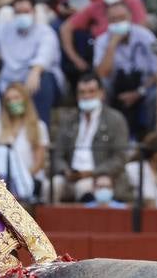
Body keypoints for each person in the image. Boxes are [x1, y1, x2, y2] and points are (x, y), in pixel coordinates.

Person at [0, 0, 64, 126]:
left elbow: (44, 56)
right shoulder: (4, 29)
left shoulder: (45, 32)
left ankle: (40, 132)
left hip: (37, 83)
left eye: (26, 12)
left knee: (42, 80)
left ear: (34, 12)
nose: (22, 16)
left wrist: (35, 71)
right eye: (18, 12)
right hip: (10, 84)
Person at [52, 70, 130, 202]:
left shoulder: (115, 119)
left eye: (91, 91)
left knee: (84, 187)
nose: (86, 96)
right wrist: (65, 171)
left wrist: (91, 173)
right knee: (52, 185)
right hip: (70, 175)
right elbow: (57, 155)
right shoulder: (69, 119)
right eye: (82, 92)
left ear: (101, 93)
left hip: (97, 176)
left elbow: (119, 158)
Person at [60, 0, 147, 77]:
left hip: (134, 52)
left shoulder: (133, 2)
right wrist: (76, 59)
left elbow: (142, 30)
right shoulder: (95, 6)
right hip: (104, 52)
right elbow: (66, 28)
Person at [94, 0, 157, 137]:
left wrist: (139, 92)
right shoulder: (102, 41)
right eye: (113, 20)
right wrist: (112, 44)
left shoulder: (145, 36)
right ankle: (105, 134)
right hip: (116, 87)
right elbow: (101, 74)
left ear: (130, 17)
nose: (118, 22)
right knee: (100, 88)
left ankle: (148, 136)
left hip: (143, 86)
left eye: (122, 18)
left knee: (155, 95)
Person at [0, 83, 50, 200]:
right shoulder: (0, 128)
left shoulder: (38, 127)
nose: (12, 102)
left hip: (31, 179)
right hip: (5, 182)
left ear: (25, 100)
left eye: (16, 98)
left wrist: (22, 179)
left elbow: (39, 163)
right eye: (9, 100)